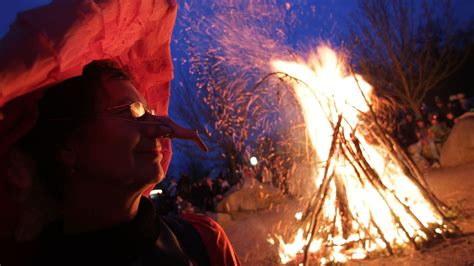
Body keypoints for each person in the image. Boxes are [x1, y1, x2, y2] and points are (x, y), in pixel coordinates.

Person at [17, 60, 239, 265]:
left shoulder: (204, 241)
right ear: (66, 145)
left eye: (150, 113)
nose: (159, 129)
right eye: (132, 112)